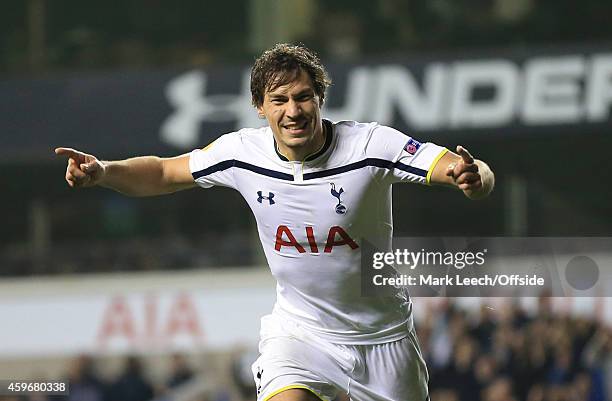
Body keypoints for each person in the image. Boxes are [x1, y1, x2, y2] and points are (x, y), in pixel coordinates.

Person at [56, 43, 494, 401]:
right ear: (259, 108)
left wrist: (472, 179)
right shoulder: (242, 153)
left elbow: (453, 165)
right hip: (300, 332)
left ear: (321, 98)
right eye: (279, 100)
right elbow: (164, 173)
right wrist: (104, 171)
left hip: (383, 337)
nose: (293, 111)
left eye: (303, 97)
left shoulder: (370, 145)